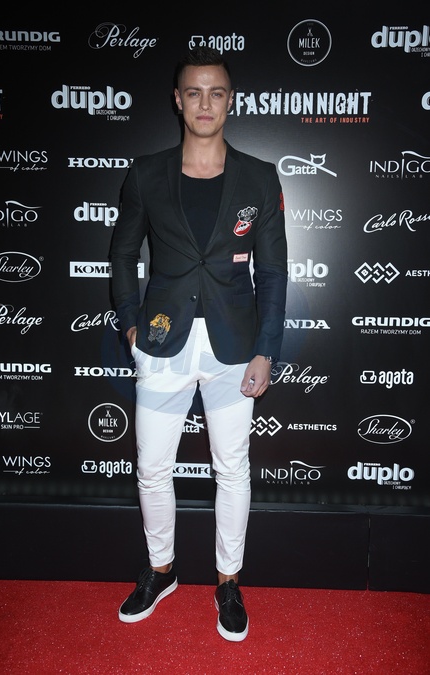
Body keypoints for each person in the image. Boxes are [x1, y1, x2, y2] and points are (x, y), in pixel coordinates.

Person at [109, 45, 288, 642]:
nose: (205, 103)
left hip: (235, 348)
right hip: (162, 342)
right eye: (194, 92)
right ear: (178, 101)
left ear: (230, 101)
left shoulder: (259, 177)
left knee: (232, 468)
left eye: (216, 92)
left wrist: (266, 349)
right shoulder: (145, 173)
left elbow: (274, 272)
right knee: (152, 467)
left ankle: (229, 581)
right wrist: (131, 324)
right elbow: (122, 253)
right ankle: (161, 571)